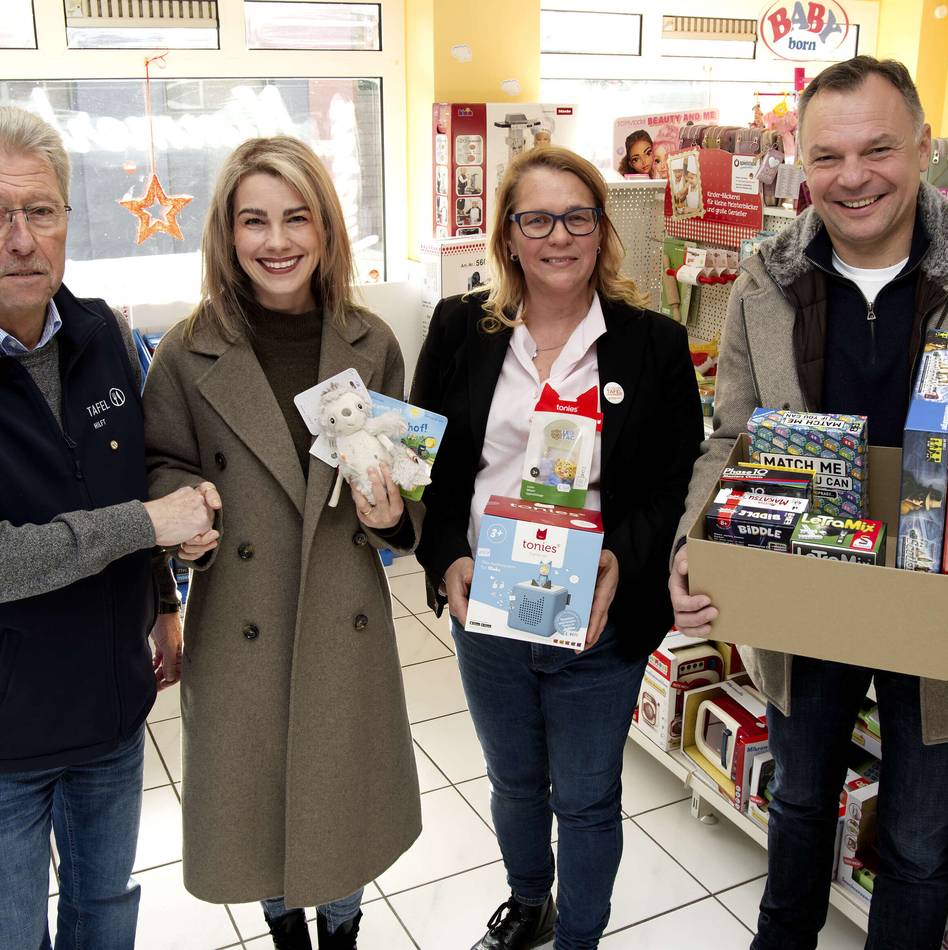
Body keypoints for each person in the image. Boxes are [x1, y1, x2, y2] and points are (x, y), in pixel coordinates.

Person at [669, 57, 948, 950]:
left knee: (921, 840)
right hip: (808, 591)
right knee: (797, 803)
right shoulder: (766, 276)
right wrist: (693, 541)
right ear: (798, 159)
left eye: (878, 148)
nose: (853, 176)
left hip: (937, 609)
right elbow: (732, 435)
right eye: (827, 156)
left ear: (923, 147)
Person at [411, 145, 703, 950]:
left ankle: (579, 935)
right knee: (513, 782)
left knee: (584, 796)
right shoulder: (460, 329)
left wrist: (622, 560)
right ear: (508, 234)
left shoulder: (652, 343)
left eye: (578, 216)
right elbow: (427, 472)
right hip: (490, 610)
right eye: (536, 218)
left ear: (602, 229)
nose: (559, 236)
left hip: (597, 620)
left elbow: (671, 484)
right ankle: (527, 901)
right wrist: (446, 558)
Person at [143, 136, 423, 950]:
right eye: (254, 220)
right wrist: (182, 520)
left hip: (344, 616)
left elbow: (406, 494)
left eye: (297, 217)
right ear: (227, 236)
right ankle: (284, 935)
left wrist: (390, 519)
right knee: (257, 804)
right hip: (242, 620)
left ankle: (341, 932)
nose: (277, 241)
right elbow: (164, 462)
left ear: (327, 229)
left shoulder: (372, 343)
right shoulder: (185, 352)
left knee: (341, 805)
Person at [0, 106, 218, 950]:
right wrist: (147, 522)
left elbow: (133, 479)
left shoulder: (109, 338)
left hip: (112, 710)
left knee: (105, 918)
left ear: (65, 220)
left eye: (41, 210)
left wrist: (164, 599)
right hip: (8, 738)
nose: (21, 238)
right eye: (0, 214)